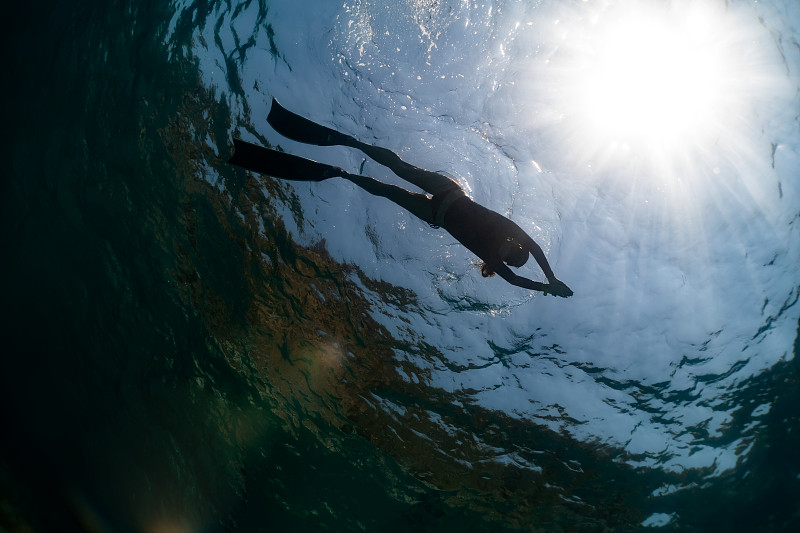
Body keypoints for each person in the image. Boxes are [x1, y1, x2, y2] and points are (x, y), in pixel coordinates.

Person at [229, 99, 573, 297]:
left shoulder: (494, 262)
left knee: (383, 190)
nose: (509, 253)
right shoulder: (505, 228)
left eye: (510, 257)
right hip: (448, 190)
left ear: (505, 262)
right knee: (397, 165)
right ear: (515, 243)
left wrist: (545, 290)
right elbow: (537, 250)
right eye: (514, 250)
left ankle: (340, 173)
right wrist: (552, 278)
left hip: (433, 213)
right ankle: (353, 143)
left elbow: (514, 280)